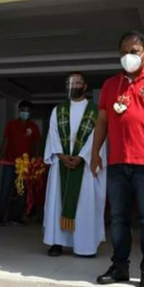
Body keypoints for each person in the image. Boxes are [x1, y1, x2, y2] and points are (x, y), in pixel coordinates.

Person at [91, 31, 144, 287]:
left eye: (134, 51)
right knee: (118, 218)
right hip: (117, 163)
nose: (129, 56)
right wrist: (95, 153)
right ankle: (120, 267)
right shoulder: (110, 85)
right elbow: (102, 122)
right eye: (124, 52)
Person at [43, 72, 106, 257]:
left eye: (78, 81)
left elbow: (99, 136)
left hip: (84, 164)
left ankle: (84, 246)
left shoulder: (95, 111)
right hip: (61, 162)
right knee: (57, 203)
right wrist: (61, 155)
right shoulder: (58, 110)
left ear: (85, 86)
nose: (74, 84)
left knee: (84, 205)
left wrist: (82, 156)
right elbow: (52, 133)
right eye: (71, 82)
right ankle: (56, 242)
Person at [0, 100, 40, 225]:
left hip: (25, 166)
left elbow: (36, 145)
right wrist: (0, 159)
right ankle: (1, 217)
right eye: (23, 110)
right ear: (19, 111)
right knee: (6, 189)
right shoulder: (11, 124)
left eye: (27, 111)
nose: (24, 113)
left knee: (22, 191)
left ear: (30, 112)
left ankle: (16, 217)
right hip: (9, 163)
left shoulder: (34, 127)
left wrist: (35, 162)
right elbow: (5, 142)